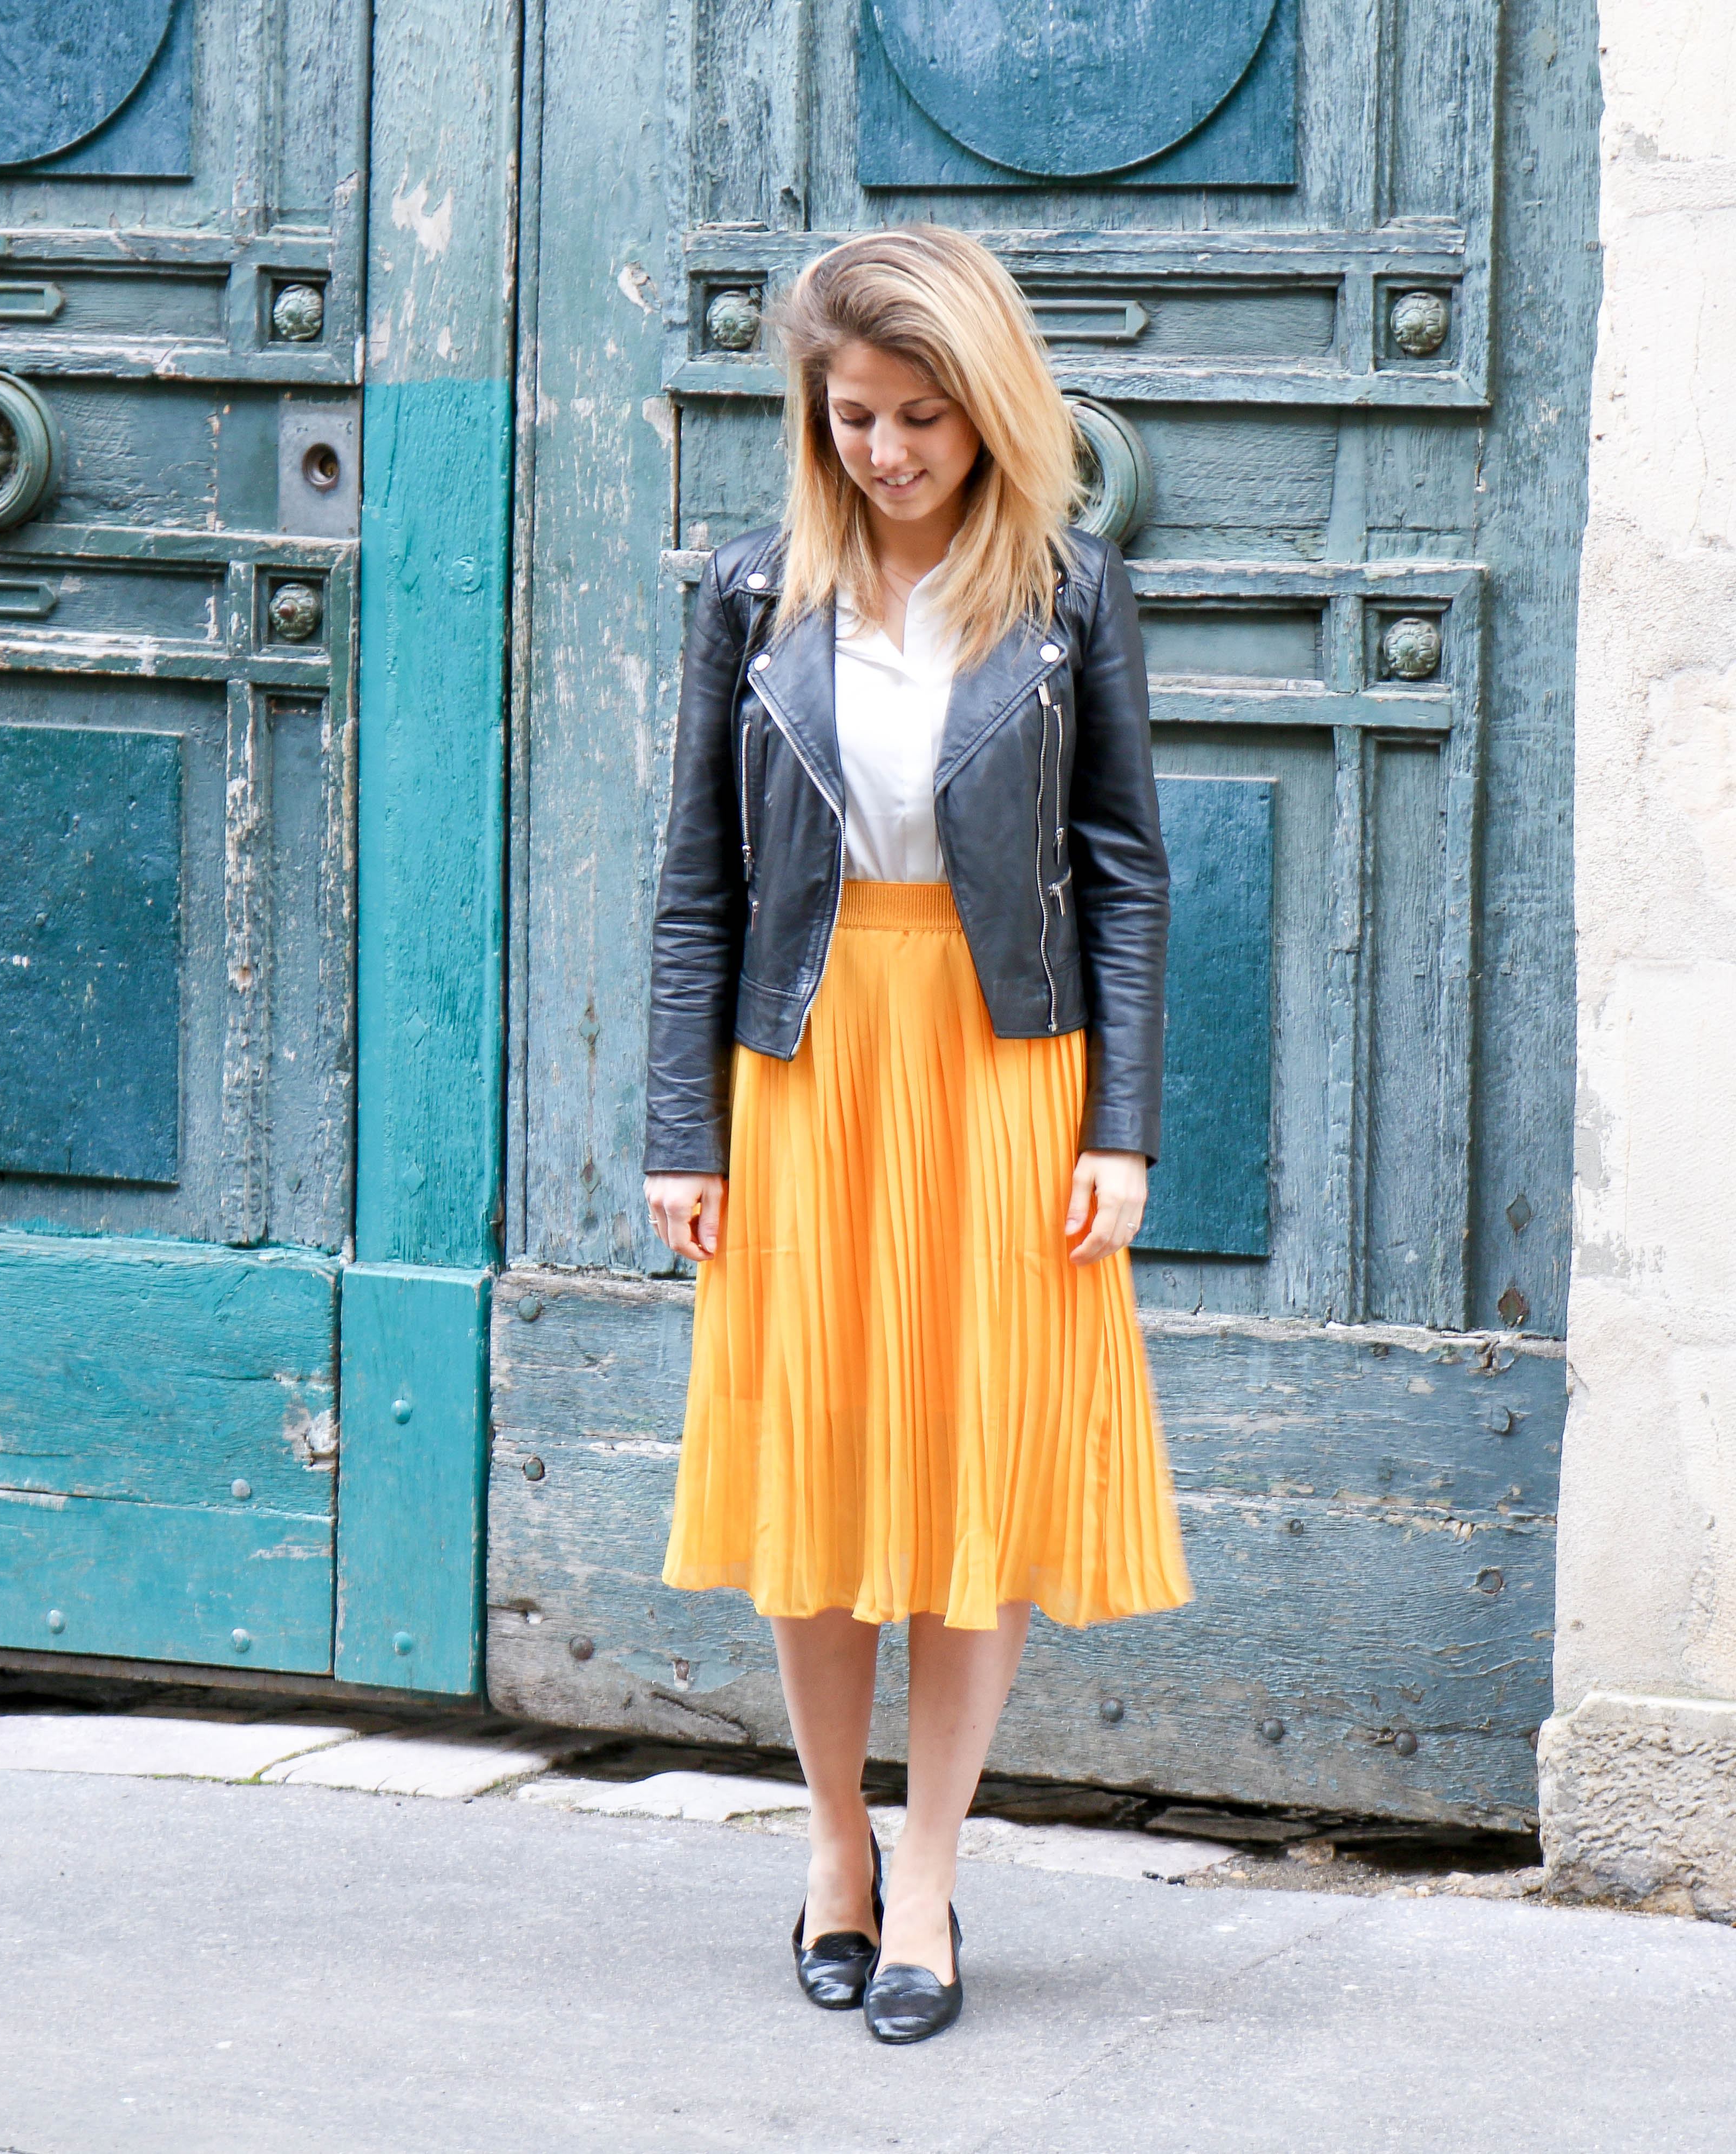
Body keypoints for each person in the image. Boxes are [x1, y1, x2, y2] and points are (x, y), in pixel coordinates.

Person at [643, 224, 1191, 2045]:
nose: (883, 452)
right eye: (853, 416)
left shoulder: (1068, 592)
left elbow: (1124, 871)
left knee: (974, 1473)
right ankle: (832, 1848)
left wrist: (1119, 1126)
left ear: (990, 410)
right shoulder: (752, 592)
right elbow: (697, 886)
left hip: (1000, 1059)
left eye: (919, 418)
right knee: (816, 1469)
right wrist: (683, 1130)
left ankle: (933, 1878)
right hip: (806, 1063)